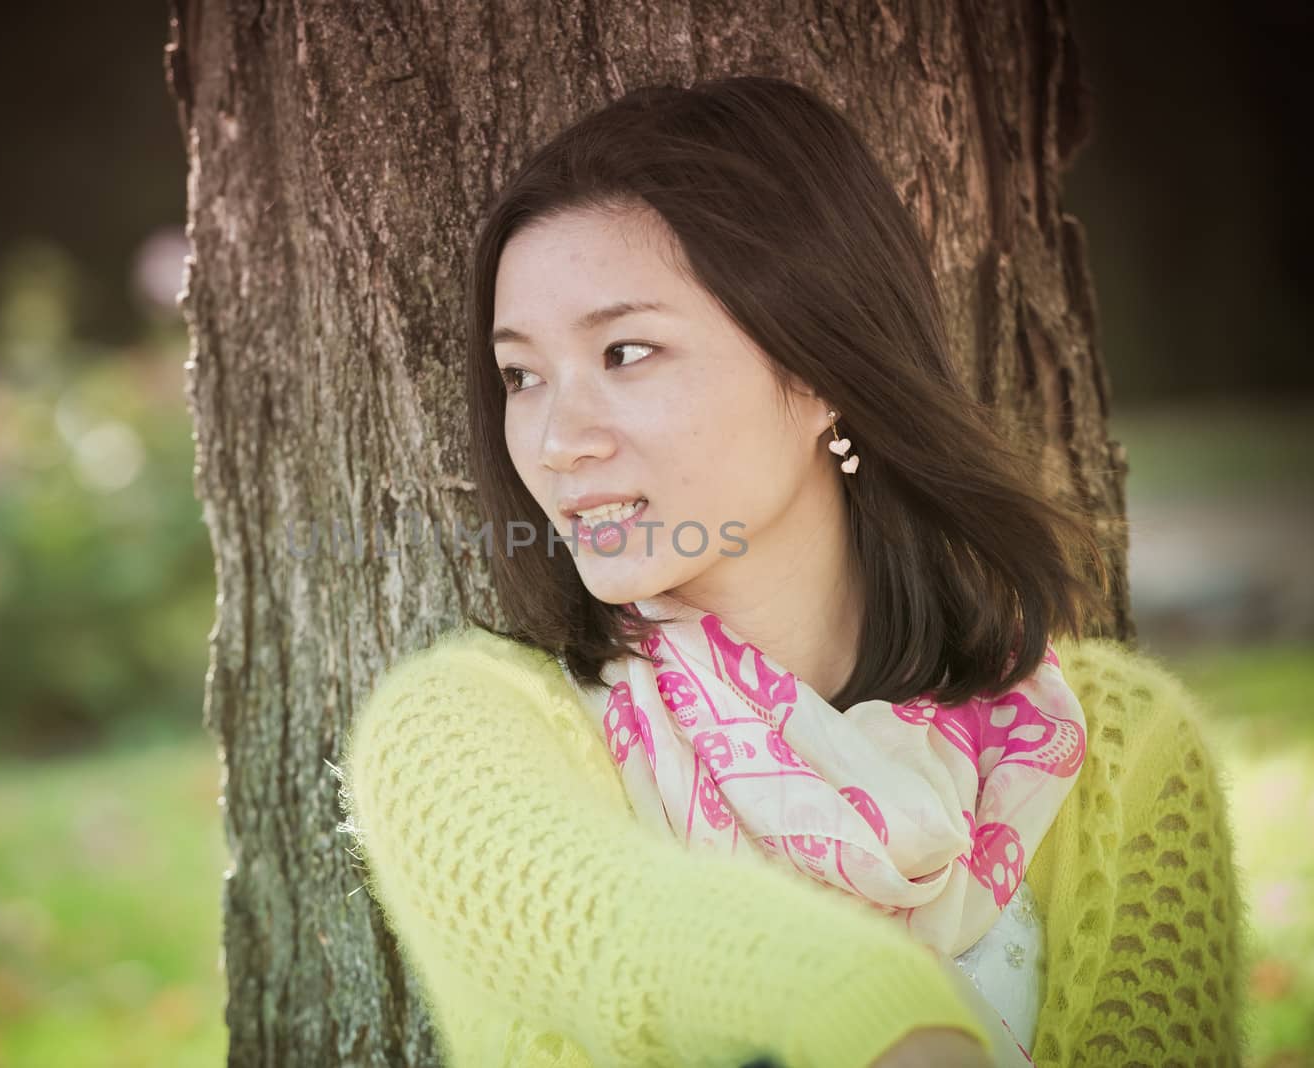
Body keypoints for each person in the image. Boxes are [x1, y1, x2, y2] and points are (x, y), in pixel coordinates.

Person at [336, 76, 1245, 1067]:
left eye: (626, 351)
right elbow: (620, 927)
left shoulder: (1120, 751)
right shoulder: (468, 731)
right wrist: (884, 1018)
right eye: (522, 376)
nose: (557, 441)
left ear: (820, 368)